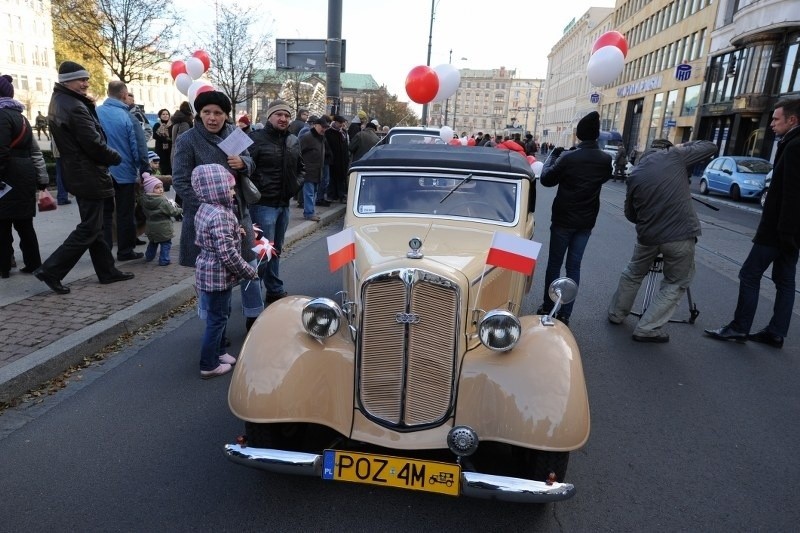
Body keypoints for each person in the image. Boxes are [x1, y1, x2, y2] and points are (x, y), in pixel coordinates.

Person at [704, 97, 800, 348]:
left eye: (776, 119)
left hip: (778, 230)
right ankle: (776, 332)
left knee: (749, 274)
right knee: (785, 281)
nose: (771, 124)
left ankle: (739, 327)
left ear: (793, 120)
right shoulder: (791, 142)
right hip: (790, 230)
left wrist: (785, 232)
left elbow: (791, 194)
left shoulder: (794, 146)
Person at [34, 60, 134, 295]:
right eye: (82, 79)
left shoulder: (62, 101)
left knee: (96, 227)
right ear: (67, 81)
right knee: (90, 228)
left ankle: (107, 271)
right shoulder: (74, 106)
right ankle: (51, 270)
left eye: (86, 79)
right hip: (87, 173)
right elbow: (92, 143)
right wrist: (115, 157)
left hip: (80, 172)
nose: (86, 83)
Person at [607, 138, 717, 342]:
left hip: (648, 236)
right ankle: (648, 328)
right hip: (680, 234)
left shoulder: (636, 174)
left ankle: (616, 313)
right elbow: (710, 146)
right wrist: (680, 146)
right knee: (676, 281)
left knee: (633, 272)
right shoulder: (674, 156)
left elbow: (630, 214)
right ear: (666, 149)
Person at [171, 89, 263, 327]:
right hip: (205, 220)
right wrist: (207, 210)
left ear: (226, 115)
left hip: (238, 214)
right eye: (206, 112)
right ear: (199, 114)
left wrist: (243, 163)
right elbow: (180, 181)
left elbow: (251, 163)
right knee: (210, 274)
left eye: (218, 113)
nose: (212, 117)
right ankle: (212, 324)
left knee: (249, 263)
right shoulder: (188, 140)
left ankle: (254, 315)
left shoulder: (234, 134)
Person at [535, 111, 612, 326]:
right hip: (586, 221)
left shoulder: (568, 157)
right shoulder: (605, 159)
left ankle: (549, 306)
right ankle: (566, 312)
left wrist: (553, 156)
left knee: (554, 264)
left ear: (578, 134)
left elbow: (546, 179)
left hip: (563, 219)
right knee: (574, 267)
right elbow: (605, 177)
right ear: (596, 135)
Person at [191, 163, 259, 379]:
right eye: (229, 188)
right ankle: (209, 364)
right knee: (217, 319)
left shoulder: (207, 207)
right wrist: (249, 271)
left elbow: (212, 236)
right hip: (217, 275)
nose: (233, 192)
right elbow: (227, 253)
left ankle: (219, 352)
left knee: (221, 313)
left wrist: (235, 231)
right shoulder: (221, 214)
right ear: (216, 188)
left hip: (209, 271)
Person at [247, 99, 304, 305]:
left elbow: (301, 168)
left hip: (283, 205)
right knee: (262, 252)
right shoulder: (255, 139)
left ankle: (274, 289)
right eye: (279, 114)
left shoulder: (293, 140)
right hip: (262, 205)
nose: (283, 118)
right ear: (269, 116)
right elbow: (245, 169)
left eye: (287, 115)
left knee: (276, 249)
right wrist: (255, 191)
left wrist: (295, 186)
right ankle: (252, 292)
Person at [0, 73, 49, 278]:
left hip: (7, 176)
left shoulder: (1, 116)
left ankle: (4, 267)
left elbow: (1, 152)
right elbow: (33, 150)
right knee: (25, 224)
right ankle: (33, 263)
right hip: (25, 173)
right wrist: (41, 179)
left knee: (2, 225)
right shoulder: (21, 116)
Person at [96, 80, 149, 261]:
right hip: (124, 171)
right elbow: (139, 146)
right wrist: (143, 169)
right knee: (125, 212)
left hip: (102, 171)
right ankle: (125, 250)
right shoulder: (128, 117)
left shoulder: (95, 113)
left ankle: (104, 253)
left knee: (105, 214)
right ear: (124, 95)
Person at [140, 172, 181, 266]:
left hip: (150, 226)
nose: (161, 189)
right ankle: (164, 260)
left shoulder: (144, 199)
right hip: (163, 227)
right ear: (150, 189)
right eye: (157, 187)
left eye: (161, 187)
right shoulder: (162, 201)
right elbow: (172, 212)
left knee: (153, 242)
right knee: (166, 243)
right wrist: (180, 209)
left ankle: (149, 256)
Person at [299, 115, 330, 222]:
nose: (324, 129)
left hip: (317, 170)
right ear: (316, 125)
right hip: (309, 170)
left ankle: (310, 212)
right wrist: (302, 167)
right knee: (309, 193)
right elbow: (299, 152)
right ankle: (309, 213)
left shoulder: (321, 137)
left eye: (326, 127)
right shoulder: (308, 137)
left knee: (313, 192)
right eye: (323, 127)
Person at [169, 101, 194, 210]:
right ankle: (179, 209)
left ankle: (178, 208)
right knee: (183, 182)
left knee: (180, 181)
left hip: (174, 152)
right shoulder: (185, 123)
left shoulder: (177, 121)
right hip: (181, 155)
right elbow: (184, 141)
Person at [324, 114, 349, 203]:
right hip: (333, 159)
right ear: (335, 122)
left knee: (341, 178)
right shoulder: (328, 132)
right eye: (339, 123)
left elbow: (346, 145)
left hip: (343, 159)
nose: (341, 125)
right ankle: (332, 195)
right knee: (332, 178)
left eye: (342, 123)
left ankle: (341, 195)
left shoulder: (343, 132)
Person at [152, 108, 173, 175]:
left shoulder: (172, 125)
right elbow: (155, 136)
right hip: (160, 149)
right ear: (160, 116)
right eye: (163, 114)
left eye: (167, 114)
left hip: (170, 149)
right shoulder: (157, 125)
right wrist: (165, 139)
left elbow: (173, 136)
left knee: (170, 165)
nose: (165, 115)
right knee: (162, 166)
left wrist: (168, 139)